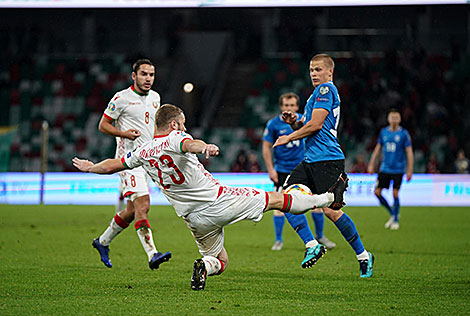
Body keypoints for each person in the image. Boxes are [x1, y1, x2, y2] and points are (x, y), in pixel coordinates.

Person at [72, 104, 347, 290]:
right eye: (183, 122)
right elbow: (188, 143)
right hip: (218, 201)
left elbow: (112, 165)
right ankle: (327, 198)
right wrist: (205, 147)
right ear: (175, 123)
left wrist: (90, 167)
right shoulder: (174, 138)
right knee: (277, 199)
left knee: (221, 260)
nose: (184, 126)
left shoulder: (142, 152)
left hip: (193, 219)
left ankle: (204, 266)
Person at [273, 53, 374, 278]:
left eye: (318, 69)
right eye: (311, 70)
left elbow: (317, 125)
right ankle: (312, 245)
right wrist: (294, 123)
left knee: (331, 211)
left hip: (328, 159)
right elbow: (309, 123)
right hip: (311, 160)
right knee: (285, 200)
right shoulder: (313, 97)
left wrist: (290, 137)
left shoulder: (326, 90)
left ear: (330, 72)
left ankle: (364, 256)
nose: (314, 74)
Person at [93, 58, 171, 270]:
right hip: (128, 161)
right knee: (143, 206)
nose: (148, 79)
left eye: (151, 75)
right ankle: (152, 254)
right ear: (133, 76)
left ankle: (102, 242)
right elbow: (103, 125)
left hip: (148, 160)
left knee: (130, 211)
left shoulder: (155, 97)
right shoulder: (121, 98)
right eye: (144, 74)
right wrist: (123, 133)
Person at [262, 92, 336, 251]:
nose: (289, 108)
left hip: (304, 168)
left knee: (316, 204)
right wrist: (270, 169)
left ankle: (320, 236)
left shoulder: (305, 120)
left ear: (297, 106)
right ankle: (278, 240)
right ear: (282, 107)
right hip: (282, 170)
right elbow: (266, 147)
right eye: (286, 105)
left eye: (292, 105)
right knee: (280, 206)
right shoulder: (273, 124)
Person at [367, 109, 414, 231]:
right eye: (392, 117)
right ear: (388, 119)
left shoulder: (404, 134)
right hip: (384, 168)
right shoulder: (384, 132)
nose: (394, 120)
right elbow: (378, 148)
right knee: (377, 192)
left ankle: (396, 220)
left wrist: (410, 169)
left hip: (398, 169)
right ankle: (393, 213)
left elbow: (409, 152)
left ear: (400, 119)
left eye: (396, 117)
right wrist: (372, 164)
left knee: (395, 193)